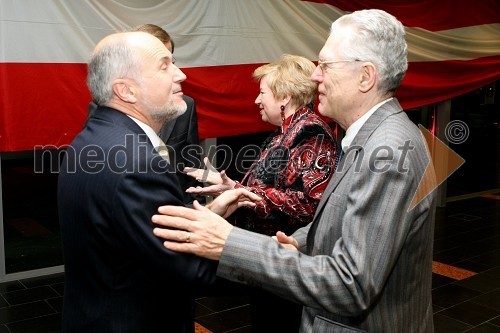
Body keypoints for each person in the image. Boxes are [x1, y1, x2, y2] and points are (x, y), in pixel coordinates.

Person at [152, 9, 437, 333]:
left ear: (365, 77)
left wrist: (228, 242)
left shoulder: (387, 150)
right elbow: (339, 224)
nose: (315, 78)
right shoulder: (374, 138)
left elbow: (352, 285)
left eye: (326, 66)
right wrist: (295, 243)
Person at [58, 31, 225, 332]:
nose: (181, 74)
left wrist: (211, 213)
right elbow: (189, 269)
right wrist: (270, 260)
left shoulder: (94, 138)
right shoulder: (138, 163)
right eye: (164, 66)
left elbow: (135, 231)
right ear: (127, 91)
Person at [186, 54, 336, 332]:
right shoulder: (284, 134)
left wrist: (247, 194)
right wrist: (234, 188)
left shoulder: (310, 134)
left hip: (287, 261)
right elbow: (269, 187)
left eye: (262, 92)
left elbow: (311, 203)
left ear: (284, 97)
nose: (257, 99)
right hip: (271, 263)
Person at [86, 23, 204, 205]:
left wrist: (200, 209)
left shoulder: (184, 105)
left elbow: (191, 163)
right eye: (162, 66)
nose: (179, 74)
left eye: (171, 62)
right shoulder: (105, 117)